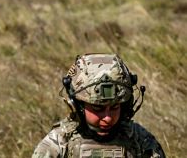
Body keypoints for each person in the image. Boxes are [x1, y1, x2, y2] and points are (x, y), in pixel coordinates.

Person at [32, 53, 165, 158]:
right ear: (78, 106)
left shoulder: (140, 140)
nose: (107, 118)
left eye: (114, 107)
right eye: (98, 108)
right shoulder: (59, 142)